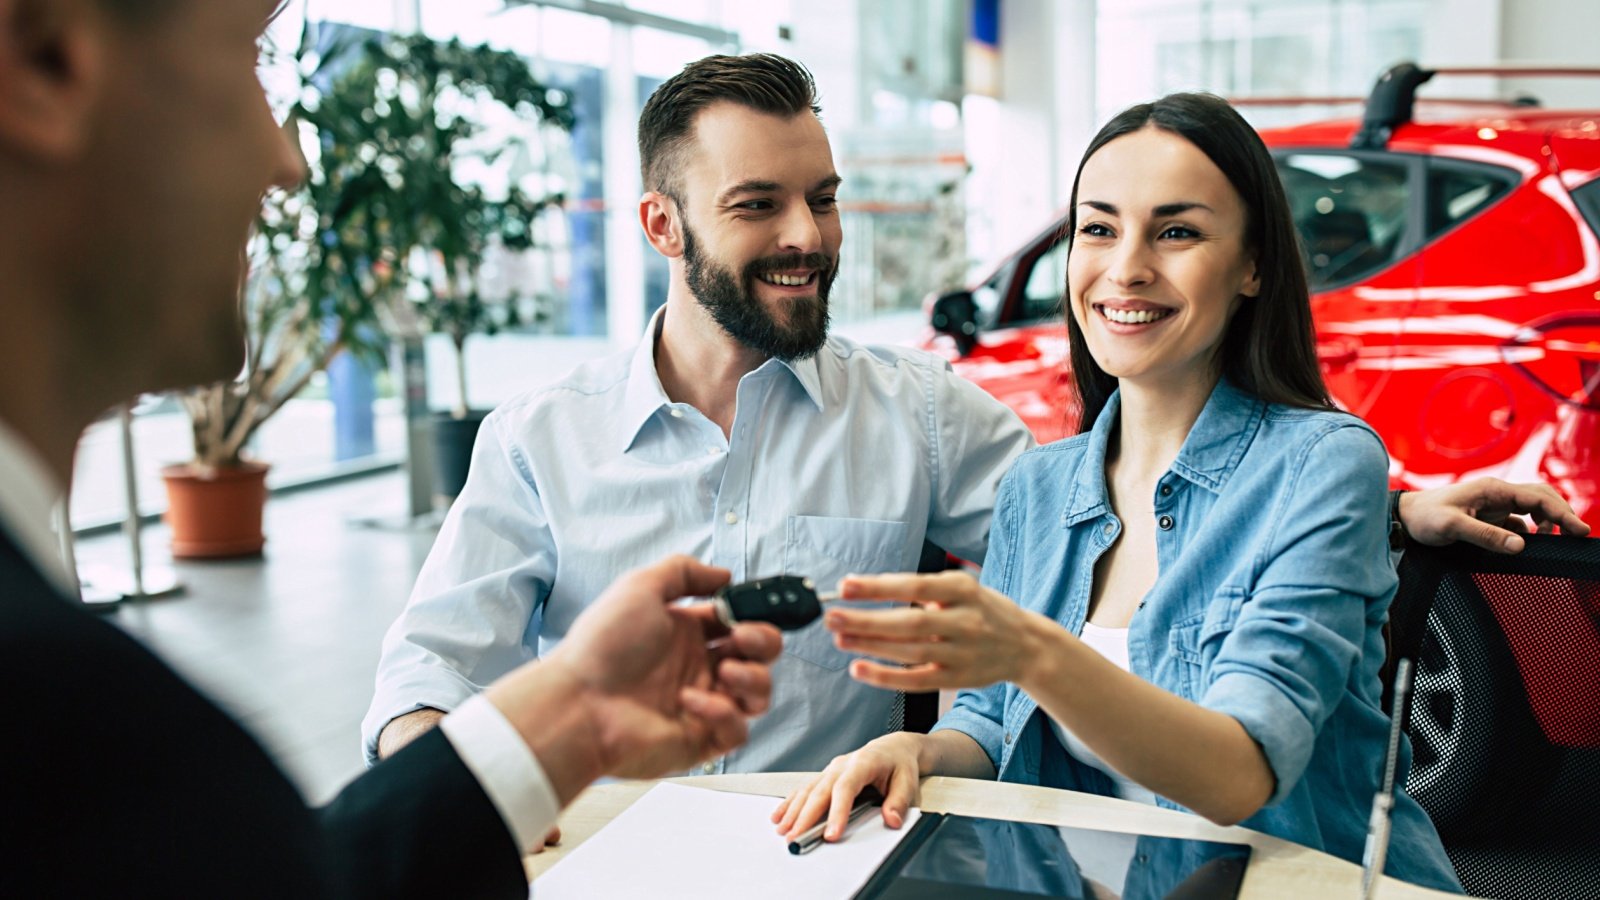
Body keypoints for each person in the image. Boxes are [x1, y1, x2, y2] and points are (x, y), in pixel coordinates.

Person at [364, 51, 1588, 788]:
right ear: (661, 227)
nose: (808, 237)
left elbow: (1163, 504)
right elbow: (422, 683)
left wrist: (1393, 504)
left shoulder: (921, 416)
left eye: (824, 199)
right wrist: (482, 825)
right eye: (759, 205)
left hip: (823, 861)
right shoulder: (535, 440)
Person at [0, 2, 780, 896]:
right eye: (245, 61)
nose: (286, 162)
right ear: (45, 58)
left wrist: (577, 714)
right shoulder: (61, 722)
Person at [771, 93, 1499, 894]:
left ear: (1253, 264)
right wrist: (911, 750)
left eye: (1177, 231)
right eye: (1100, 228)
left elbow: (1241, 774)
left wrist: (1034, 652)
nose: (1127, 267)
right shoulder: (1038, 486)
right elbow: (988, 720)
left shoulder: (1322, 465)